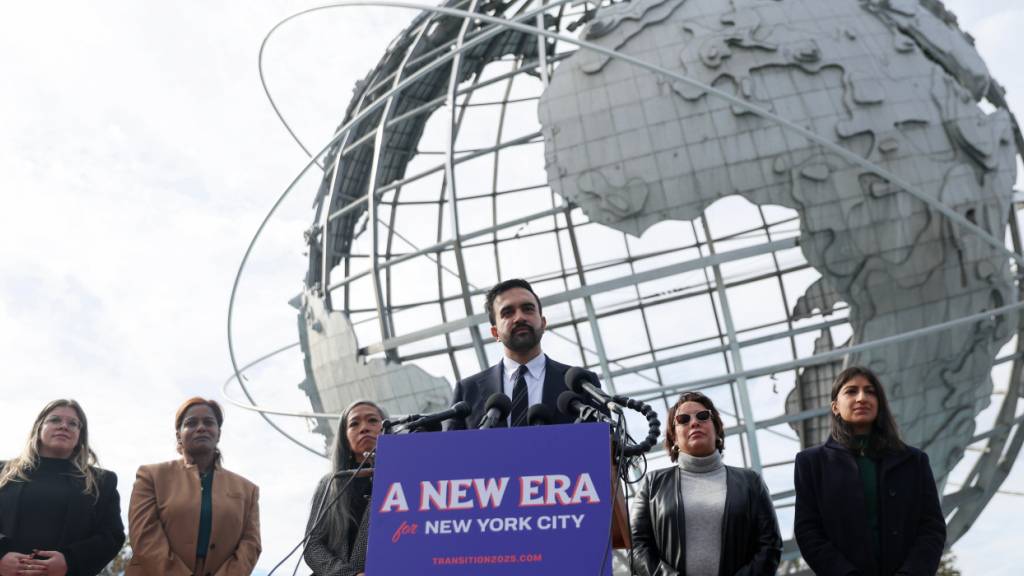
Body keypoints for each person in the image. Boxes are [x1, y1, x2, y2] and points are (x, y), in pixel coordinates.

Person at [794, 366, 945, 576]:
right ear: (835, 407)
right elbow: (808, 532)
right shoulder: (811, 463)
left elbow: (931, 528)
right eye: (851, 391)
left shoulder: (914, 461)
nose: (862, 398)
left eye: (870, 391)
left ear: (879, 403)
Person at [631, 391, 782, 576]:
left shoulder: (751, 482)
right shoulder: (652, 484)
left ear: (716, 429)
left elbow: (770, 545)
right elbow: (636, 546)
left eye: (702, 416)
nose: (694, 422)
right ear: (674, 438)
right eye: (683, 419)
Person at [127, 397, 261, 576]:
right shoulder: (150, 477)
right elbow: (144, 537)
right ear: (178, 435)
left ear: (218, 434)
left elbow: (251, 545)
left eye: (208, 422)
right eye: (191, 423)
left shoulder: (248, 491)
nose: (201, 427)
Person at [0, 399, 125, 576]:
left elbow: (111, 535)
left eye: (73, 423)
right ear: (39, 427)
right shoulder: (3, 471)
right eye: (55, 420)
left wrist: (70, 562)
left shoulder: (102, 481)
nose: (63, 426)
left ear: (80, 435)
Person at [446, 278, 584, 429]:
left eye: (528, 309)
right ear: (495, 332)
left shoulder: (582, 385)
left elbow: (601, 440)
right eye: (507, 313)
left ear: (543, 323)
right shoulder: (467, 391)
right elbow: (450, 444)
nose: (519, 318)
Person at [304, 400, 385, 576]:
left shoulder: (405, 480)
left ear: (387, 428)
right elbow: (313, 546)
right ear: (345, 438)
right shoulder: (330, 483)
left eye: (372, 420)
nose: (364, 428)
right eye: (354, 424)